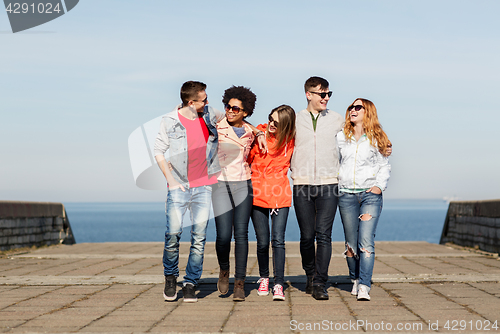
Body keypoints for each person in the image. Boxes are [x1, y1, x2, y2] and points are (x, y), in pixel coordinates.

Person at [154, 81, 223, 303]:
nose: (208, 102)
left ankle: (191, 282)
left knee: (199, 238)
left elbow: (234, 119)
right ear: (191, 102)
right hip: (179, 188)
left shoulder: (209, 114)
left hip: (203, 187)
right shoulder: (169, 121)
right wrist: (171, 180)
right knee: (172, 235)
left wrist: (254, 130)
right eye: (204, 99)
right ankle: (170, 278)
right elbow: (158, 151)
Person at [290, 76, 343, 300]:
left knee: (324, 235)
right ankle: (310, 275)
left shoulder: (338, 119)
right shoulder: (294, 119)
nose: (326, 98)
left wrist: (383, 145)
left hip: (329, 184)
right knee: (306, 236)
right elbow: (272, 132)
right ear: (308, 94)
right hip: (302, 183)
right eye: (322, 94)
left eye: (329, 94)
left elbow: (359, 135)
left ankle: (320, 282)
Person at [337, 98, 391, 301]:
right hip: (346, 195)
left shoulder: (377, 138)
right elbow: (335, 161)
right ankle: (355, 280)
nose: (353, 110)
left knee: (366, 242)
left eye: (358, 107)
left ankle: (364, 286)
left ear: (367, 112)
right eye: (351, 106)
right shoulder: (341, 137)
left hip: (370, 195)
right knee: (351, 244)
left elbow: (384, 165)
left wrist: (378, 186)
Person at [214, 86, 263, 301]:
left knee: (241, 235)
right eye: (228, 106)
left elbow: (259, 130)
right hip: (221, 184)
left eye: (236, 108)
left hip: (244, 183)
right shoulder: (216, 126)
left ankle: (239, 283)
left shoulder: (251, 132)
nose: (230, 111)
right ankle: (224, 269)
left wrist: (260, 132)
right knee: (224, 236)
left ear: (245, 112)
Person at [248, 105, 296, 301]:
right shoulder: (259, 133)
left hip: (280, 195)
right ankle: (264, 277)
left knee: (278, 241)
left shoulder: (291, 140)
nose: (272, 123)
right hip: (257, 193)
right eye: (270, 118)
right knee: (262, 241)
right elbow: (245, 125)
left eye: (277, 121)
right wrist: (258, 132)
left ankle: (278, 283)